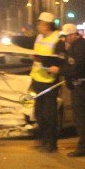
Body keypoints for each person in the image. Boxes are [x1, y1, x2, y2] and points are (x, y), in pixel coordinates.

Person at [56, 23, 85, 157]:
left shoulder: (78, 47)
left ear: (72, 35)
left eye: (65, 37)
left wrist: (61, 70)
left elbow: (75, 67)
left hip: (82, 86)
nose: (64, 39)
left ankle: (84, 149)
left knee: (81, 119)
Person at [30, 12, 63, 153]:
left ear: (47, 25)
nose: (38, 26)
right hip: (37, 79)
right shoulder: (38, 37)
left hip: (50, 81)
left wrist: (45, 61)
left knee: (49, 114)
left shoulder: (57, 39)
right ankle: (43, 140)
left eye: (40, 24)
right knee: (38, 113)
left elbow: (60, 59)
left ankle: (51, 143)